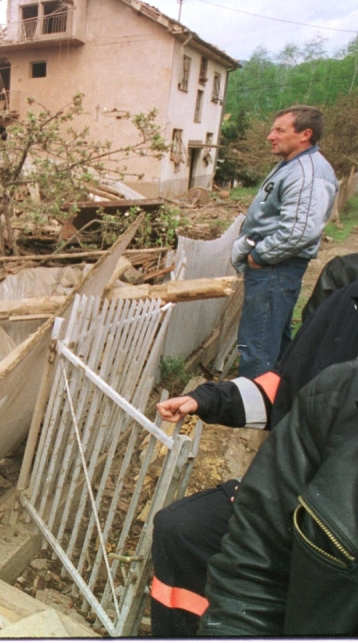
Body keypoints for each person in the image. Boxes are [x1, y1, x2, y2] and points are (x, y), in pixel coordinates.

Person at [148, 270, 358, 637]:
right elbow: (284, 387)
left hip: (328, 526)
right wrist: (206, 399)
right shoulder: (345, 301)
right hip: (289, 489)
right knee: (178, 528)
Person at [199, 357, 358, 635]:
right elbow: (282, 381)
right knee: (179, 529)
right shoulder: (340, 388)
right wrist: (212, 398)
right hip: (281, 472)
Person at [232, 104, 337, 379]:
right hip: (275, 268)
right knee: (272, 337)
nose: (270, 136)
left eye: (279, 130)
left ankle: (250, 413)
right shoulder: (292, 166)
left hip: (276, 268)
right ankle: (273, 399)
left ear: (305, 134)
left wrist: (260, 255)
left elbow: (299, 232)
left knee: (259, 342)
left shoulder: (307, 173)